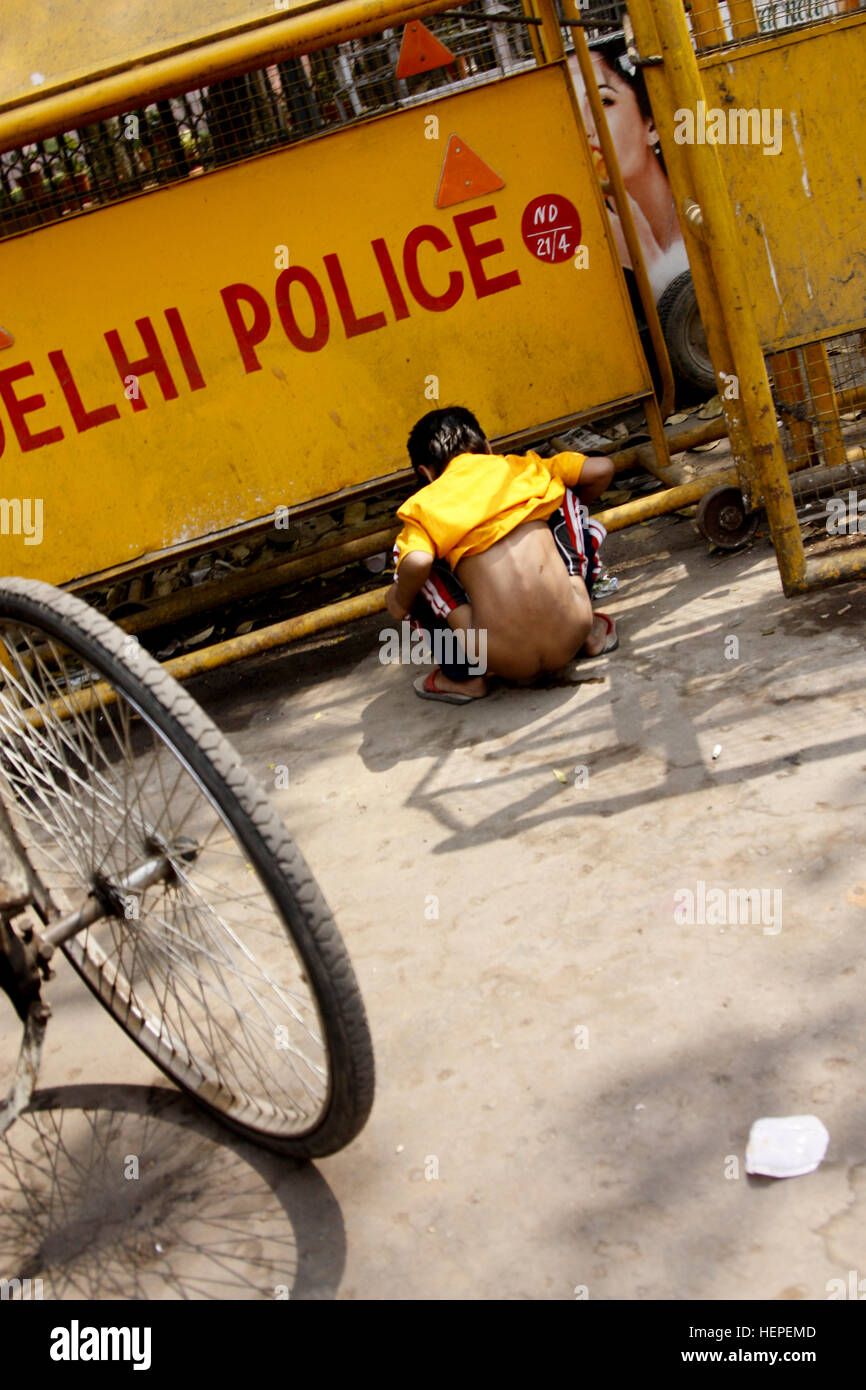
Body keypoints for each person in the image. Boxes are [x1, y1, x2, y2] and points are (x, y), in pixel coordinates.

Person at [385, 406, 617, 704]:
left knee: (410, 561)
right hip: (575, 626)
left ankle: (464, 677)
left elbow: (417, 562)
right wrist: (545, 515)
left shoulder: (423, 507)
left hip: (495, 655)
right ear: (487, 447)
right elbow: (602, 469)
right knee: (562, 498)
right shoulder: (524, 468)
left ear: (426, 473)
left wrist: (399, 599)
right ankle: (591, 635)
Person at [575, 33, 689, 303]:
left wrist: (646, 258)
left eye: (603, 103)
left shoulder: (707, 206)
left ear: (651, 124)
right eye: (568, 109)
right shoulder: (585, 248)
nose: (586, 131)